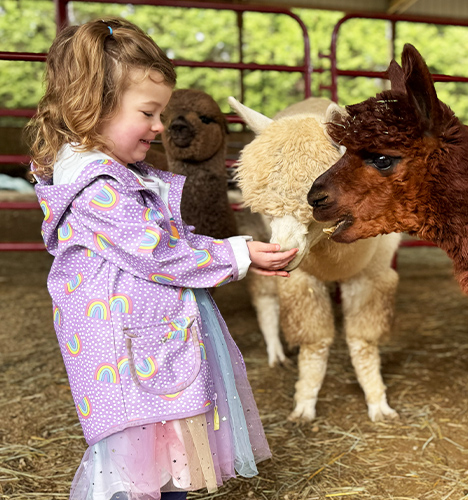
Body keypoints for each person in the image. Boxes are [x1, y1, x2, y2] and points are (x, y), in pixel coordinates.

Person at [25, 18, 297, 500]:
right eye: (148, 112)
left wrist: (230, 252)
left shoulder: (117, 173)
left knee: (165, 466)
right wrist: (237, 252)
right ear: (93, 105)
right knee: (139, 473)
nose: (159, 126)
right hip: (131, 358)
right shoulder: (98, 186)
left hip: (146, 348)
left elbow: (164, 239)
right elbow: (159, 251)